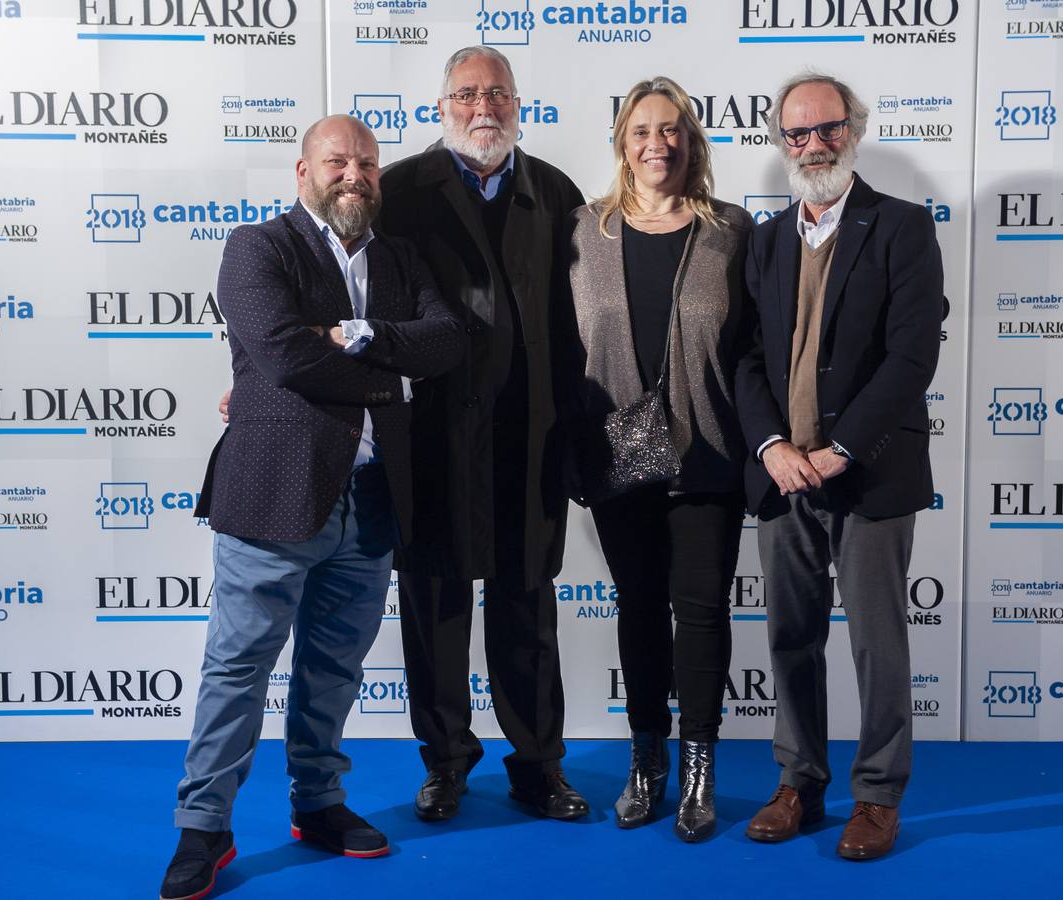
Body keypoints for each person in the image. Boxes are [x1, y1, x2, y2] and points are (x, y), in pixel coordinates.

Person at [160, 115, 463, 900]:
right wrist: (392, 380)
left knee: (333, 668)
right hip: (271, 491)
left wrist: (359, 335)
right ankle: (204, 827)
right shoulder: (257, 247)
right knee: (238, 666)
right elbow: (284, 354)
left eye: (366, 162)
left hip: (370, 500)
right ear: (303, 173)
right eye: (337, 161)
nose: (353, 174)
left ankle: (319, 804)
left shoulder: (399, 257)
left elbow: (446, 341)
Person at [374, 46, 590, 822]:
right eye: (466, 94)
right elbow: (345, 288)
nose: (482, 108)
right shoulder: (396, 192)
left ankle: (538, 765)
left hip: (530, 439)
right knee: (434, 610)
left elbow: (582, 328)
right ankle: (446, 764)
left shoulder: (558, 192)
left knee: (528, 610)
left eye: (496, 93)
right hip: (429, 441)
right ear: (442, 107)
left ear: (519, 102)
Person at [734, 73, 943, 861]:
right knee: (790, 634)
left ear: (852, 130)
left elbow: (911, 355)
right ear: (781, 143)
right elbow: (746, 359)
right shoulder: (765, 240)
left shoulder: (902, 227)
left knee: (878, 642)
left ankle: (879, 796)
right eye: (797, 133)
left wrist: (841, 447)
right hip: (781, 476)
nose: (812, 144)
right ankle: (799, 782)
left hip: (871, 471)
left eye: (827, 129)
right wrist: (773, 448)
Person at [560, 77, 751, 842]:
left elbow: (755, 346)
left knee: (702, 612)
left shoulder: (730, 229)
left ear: (691, 142)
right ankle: (647, 764)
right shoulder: (584, 230)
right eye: (641, 131)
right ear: (622, 144)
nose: (656, 145)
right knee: (638, 608)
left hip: (708, 453)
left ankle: (699, 770)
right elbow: (559, 344)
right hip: (616, 451)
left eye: (671, 130)